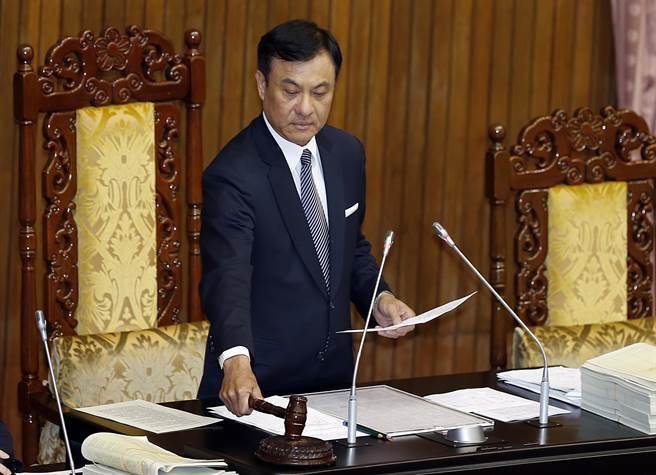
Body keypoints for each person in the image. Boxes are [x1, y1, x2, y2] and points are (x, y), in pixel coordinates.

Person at [197, 19, 416, 416]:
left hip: (335, 385)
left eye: (320, 92)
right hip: (259, 389)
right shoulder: (233, 174)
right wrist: (236, 360)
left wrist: (379, 298)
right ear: (262, 85)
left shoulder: (347, 154)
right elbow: (227, 275)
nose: (305, 108)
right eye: (290, 91)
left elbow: (350, 248)